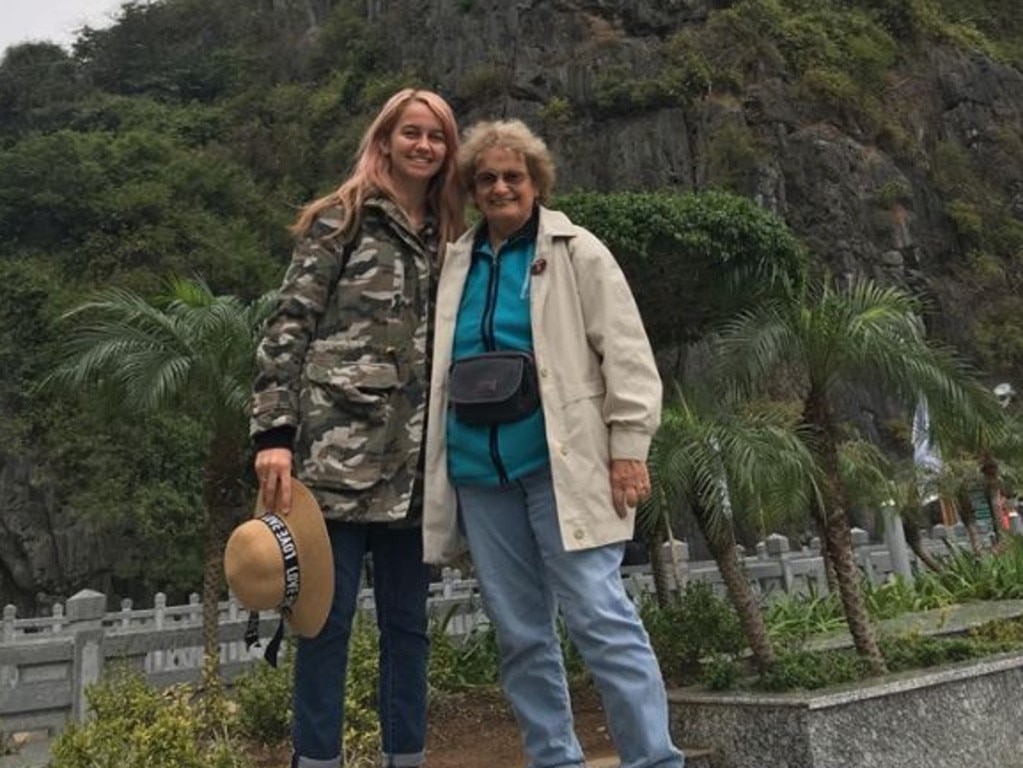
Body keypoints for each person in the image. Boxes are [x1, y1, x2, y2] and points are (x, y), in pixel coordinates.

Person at [422, 119, 684, 768]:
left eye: (513, 176)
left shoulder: (577, 252)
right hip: (481, 474)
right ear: (471, 189)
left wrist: (629, 449)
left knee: (600, 618)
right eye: (486, 178)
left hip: (560, 465)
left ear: (536, 182)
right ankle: (552, 759)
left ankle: (653, 759)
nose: (500, 187)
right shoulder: (454, 263)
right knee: (519, 635)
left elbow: (625, 356)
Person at [250, 88, 464, 768]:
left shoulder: (451, 235)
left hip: (414, 465)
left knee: (408, 627)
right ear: (385, 139)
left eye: (436, 135)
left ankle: (408, 757)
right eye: (411, 132)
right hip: (333, 461)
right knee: (323, 621)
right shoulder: (340, 220)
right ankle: (316, 760)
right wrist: (272, 435)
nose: (423, 145)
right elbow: (289, 325)